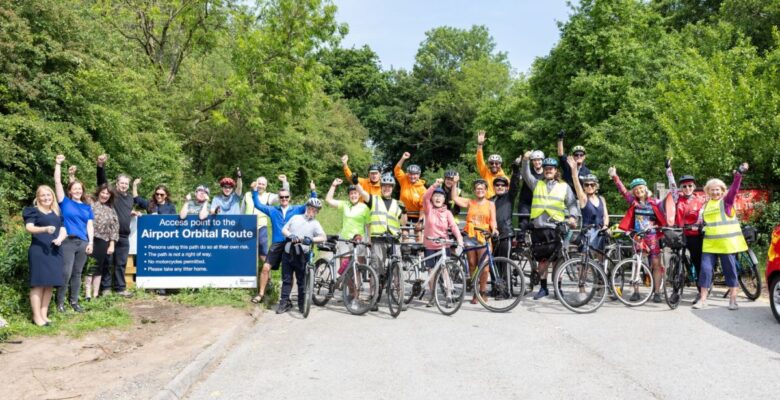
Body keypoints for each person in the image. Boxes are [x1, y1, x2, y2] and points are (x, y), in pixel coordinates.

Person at [522, 153, 579, 300]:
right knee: (542, 261)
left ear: (555, 170)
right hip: (539, 227)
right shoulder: (537, 184)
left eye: (551, 168)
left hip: (555, 228)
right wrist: (526, 160)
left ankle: (558, 289)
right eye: (546, 168)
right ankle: (543, 288)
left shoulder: (564, 186)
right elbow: (526, 174)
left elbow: (572, 204)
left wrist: (573, 217)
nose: (548, 170)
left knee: (557, 261)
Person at [694, 163, 750, 310]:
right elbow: (703, 222)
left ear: (722, 190)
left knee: (730, 271)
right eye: (712, 190)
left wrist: (738, 175)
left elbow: (734, 189)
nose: (715, 192)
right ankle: (703, 299)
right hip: (710, 244)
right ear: (707, 191)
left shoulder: (726, 202)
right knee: (705, 270)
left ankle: (733, 300)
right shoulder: (705, 205)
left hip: (726, 244)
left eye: (717, 189)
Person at [251, 181, 317, 304]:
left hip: (291, 243)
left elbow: (311, 203)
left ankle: (287, 298)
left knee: (290, 273)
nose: (284, 199)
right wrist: (254, 191)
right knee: (265, 268)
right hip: (277, 244)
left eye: (286, 197)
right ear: (279, 198)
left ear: (289, 197)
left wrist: (313, 191)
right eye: (281, 197)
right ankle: (261, 294)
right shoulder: (272, 210)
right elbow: (257, 204)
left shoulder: (297, 209)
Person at [609, 166, 667, 303]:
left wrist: (661, 226)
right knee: (636, 263)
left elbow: (665, 212)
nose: (638, 191)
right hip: (638, 236)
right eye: (636, 189)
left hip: (652, 236)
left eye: (640, 188)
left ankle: (657, 292)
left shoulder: (656, 202)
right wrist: (615, 177)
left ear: (645, 189)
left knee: (656, 263)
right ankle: (636, 291)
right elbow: (623, 191)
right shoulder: (633, 202)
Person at [355, 173, 406, 311]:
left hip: (394, 240)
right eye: (384, 186)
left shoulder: (397, 203)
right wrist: (355, 182)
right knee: (376, 269)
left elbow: (403, 222)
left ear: (392, 188)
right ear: (381, 187)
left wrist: (404, 211)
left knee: (397, 269)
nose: (387, 188)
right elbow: (362, 193)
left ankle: (400, 298)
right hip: (378, 239)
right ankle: (374, 297)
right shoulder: (374, 199)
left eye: (389, 186)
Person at [54, 154, 94, 313]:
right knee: (66, 273)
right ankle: (60, 303)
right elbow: (57, 182)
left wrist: (90, 242)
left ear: (82, 191)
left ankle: (74, 302)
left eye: (80, 189)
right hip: (68, 242)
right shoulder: (65, 202)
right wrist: (58, 164)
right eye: (75, 188)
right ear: (70, 191)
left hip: (83, 242)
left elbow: (90, 225)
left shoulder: (87, 207)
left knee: (77, 273)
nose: (77, 191)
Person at [24, 185, 67, 326]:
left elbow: (63, 229)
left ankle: (44, 315)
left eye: (48, 195)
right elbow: (29, 227)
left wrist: (60, 239)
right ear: (38, 197)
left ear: (52, 196)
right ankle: (36, 317)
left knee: (49, 284)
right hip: (39, 252)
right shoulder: (33, 211)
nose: (46, 197)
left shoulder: (57, 212)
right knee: (38, 284)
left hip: (55, 251)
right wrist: (45, 229)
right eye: (43, 195)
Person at [242, 175, 290, 303]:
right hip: (247, 227)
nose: (261, 186)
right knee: (247, 254)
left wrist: (285, 182)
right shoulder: (247, 194)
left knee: (263, 256)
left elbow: (284, 196)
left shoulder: (269, 196)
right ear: (256, 183)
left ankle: (267, 281)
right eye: (259, 183)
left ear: (266, 186)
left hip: (261, 227)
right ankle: (246, 283)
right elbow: (242, 210)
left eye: (263, 184)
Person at [450, 176, 498, 304]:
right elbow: (454, 198)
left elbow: (493, 220)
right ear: (474, 191)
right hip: (470, 236)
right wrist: (454, 183)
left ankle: (483, 291)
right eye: (477, 189)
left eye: (482, 189)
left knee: (484, 267)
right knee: (472, 264)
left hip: (484, 236)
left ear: (486, 190)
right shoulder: (470, 202)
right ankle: (475, 292)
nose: (479, 191)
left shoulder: (490, 204)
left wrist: (494, 229)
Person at [277, 198, 327, 314]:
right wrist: (291, 235)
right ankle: (284, 303)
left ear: (317, 212)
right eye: (310, 209)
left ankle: (301, 304)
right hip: (288, 251)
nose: (312, 212)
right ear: (307, 208)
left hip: (302, 254)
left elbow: (323, 237)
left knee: (301, 281)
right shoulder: (296, 217)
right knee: (286, 279)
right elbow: (284, 229)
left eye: (315, 210)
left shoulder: (315, 223)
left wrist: (311, 239)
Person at [666, 159, 705, 303]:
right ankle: (675, 291)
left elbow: (703, 216)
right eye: (684, 186)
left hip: (694, 235)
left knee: (697, 262)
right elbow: (672, 185)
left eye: (690, 185)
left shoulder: (700, 200)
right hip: (680, 234)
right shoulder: (678, 198)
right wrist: (668, 169)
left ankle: (701, 292)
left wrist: (700, 225)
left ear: (694, 186)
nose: (687, 188)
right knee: (677, 261)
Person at [96, 154, 134, 297]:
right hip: (110, 235)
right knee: (108, 261)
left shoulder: (130, 198)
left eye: (126, 184)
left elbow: (125, 210)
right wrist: (100, 166)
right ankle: (105, 288)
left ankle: (120, 288)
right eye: (121, 183)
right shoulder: (113, 195)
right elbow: (102, 182)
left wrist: (133, 212)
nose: (124, 185)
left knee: (121, 263)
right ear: (117, 183)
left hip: (124, 236)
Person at [421, 179, 464, 307]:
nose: (438, 198)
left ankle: (449, 295)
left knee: (445, 270)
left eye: (440, 196)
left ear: (444, 199)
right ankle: (432, 296)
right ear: (432, 198)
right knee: (431, 271)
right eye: (435, 196)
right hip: (430, 245)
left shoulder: (447, 213)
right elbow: (425, 197)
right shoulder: (428, 209)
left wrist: (459, 239)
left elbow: (454, 227)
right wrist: (434, 185)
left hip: (444, 245)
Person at [325, 178, 370, 272]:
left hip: (359, 240)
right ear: (349, 195)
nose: (353, 195)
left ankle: (357, 282)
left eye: (355, 193)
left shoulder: (364, 207)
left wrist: (369, 239)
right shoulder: (345, 204)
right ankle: (345, 281)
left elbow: (368, 225)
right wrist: (333, 185)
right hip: (345, 239)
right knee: (345, 268)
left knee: (359, 267)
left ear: (359, 195)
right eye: (351, 193)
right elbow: (328, 200)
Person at [566, 157, 609, 253]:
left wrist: (605, 225)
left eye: (592, 184)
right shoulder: (583, 199)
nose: (589, 186)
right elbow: (576, 183)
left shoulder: (602, 199)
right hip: (588, 234)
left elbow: (605, 215)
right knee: (587, 259)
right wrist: (574, 171)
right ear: (584, 187)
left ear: (596, 186)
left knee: (601, 258)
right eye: (586, 185)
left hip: (601, 232)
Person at [86, 184, 119, 302]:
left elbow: (114, 227)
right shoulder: (90, 203)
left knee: (99, 268)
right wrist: (72, 178)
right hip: (90, 239)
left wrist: (112, 244)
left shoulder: (111, 209)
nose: (105, 195)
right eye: (103, 192)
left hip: (104, 241)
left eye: (107, 194)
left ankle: (95, 294)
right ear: (99, 192)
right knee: (90, 267)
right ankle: (87, 295)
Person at [492, 159, 521, 259]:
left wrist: (516, 168)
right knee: (493, 264)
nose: (500, 187)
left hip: (506, 235)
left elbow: (515, 184)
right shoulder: (489, 200)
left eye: (503, 185)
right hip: (492, 236)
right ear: (494, 187)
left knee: (505, 263)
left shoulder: (509, 196)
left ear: (506, 187)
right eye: (497, 185)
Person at [517, 150, 545, 237]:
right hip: (526, 202)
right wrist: (525, 159)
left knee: (536, 225)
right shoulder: (528, 172)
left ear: (542, 160)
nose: (537, 162)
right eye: (535, 160)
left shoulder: (546, 174)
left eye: (539, 160)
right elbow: (524, 170)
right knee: (523, 223)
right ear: (532, 161)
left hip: (539, 203)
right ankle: (520, 240)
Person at [393, 152, 426, 223]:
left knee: (418, 230)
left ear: (419, 175)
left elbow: (423, 206)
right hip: (403, 214)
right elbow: (397, 170)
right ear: (408, 174)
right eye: (410, 174)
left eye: (415, 174)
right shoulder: (404, 180)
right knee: (402, 230)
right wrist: (403, 158)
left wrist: (420, 221)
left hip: (416, 216)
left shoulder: (422, 189)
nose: (412, 176)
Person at [475, 130, 507, 199]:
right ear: (489, 164)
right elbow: (479, 160)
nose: (494, 165)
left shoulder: (505, 178)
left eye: (497, 163)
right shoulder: (485, 173)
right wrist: (480, 145)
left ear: (500, 165)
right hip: (487, 202)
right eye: (492, 163)